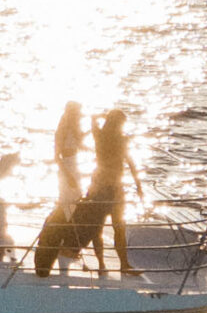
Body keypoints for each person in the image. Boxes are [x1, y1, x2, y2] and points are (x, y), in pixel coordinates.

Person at [86, 108, 144, 275]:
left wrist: (100, 115)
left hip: (99, 186)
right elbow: (131, 163)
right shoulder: (121, 139)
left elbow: (92, 118)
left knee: (98, 226)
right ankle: (124, 264)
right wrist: (138, 185)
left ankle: (102, 264)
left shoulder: (99, 136)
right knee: (119, 227)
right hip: (114, 188)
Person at [54, 102, 85, 218]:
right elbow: (57, 157)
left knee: (75, 200)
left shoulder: (74, 129)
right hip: (66, 167)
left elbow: (80, 145)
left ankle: (70, 229)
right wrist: (68, 176)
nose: (79, 115)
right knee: (67, 202)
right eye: (77, 113)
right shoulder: (62, 129)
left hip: (75, 165)